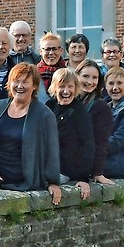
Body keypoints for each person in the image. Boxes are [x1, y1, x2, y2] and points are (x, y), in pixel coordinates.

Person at [0, 63, 62, 205]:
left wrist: (53, 182)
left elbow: (52, 151)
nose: (20, 86)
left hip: (26, 183)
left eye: (25, 82)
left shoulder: (44, 115)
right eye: (16, 81)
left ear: (34, 86)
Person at [45, 68, 94, 200]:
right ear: (54, 87)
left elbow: (87, 145)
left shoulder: (78, 111)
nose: (66, 91)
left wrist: (83, 178)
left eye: (70, 86)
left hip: (65, 170)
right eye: (61, 86)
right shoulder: (49, 106)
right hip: (47, 165)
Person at [77, 60, 114, 185]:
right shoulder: (68, 102)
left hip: (85, 166)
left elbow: (101, 142)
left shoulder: (101, 107)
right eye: (85, 76)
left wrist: (97, 172)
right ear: (77, 76)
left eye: (95, 78)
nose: (90, 82)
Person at [36, 32, 65, 97]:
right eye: (47, 49)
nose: (51, 53)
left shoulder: (68, 73)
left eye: (55, 49)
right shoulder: (34, 74)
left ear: (61, 50)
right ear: (40, 51)